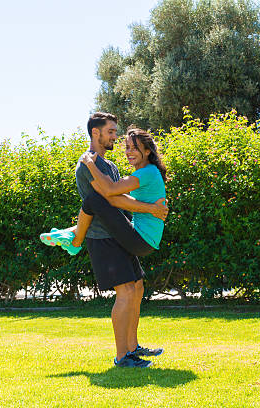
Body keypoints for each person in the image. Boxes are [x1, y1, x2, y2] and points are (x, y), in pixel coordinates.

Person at [41, 113, 167, 368]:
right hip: (103, 237)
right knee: (126, 292)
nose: (115, 137)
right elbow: (108, 199)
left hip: (119, 233)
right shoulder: (86, 165)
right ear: (95, 133)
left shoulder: (109, 166)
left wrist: (148, 208)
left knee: (137, 288)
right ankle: (123, 356)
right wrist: (150, 208)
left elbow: (122, 200)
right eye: (110, 132)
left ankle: (132, 346)